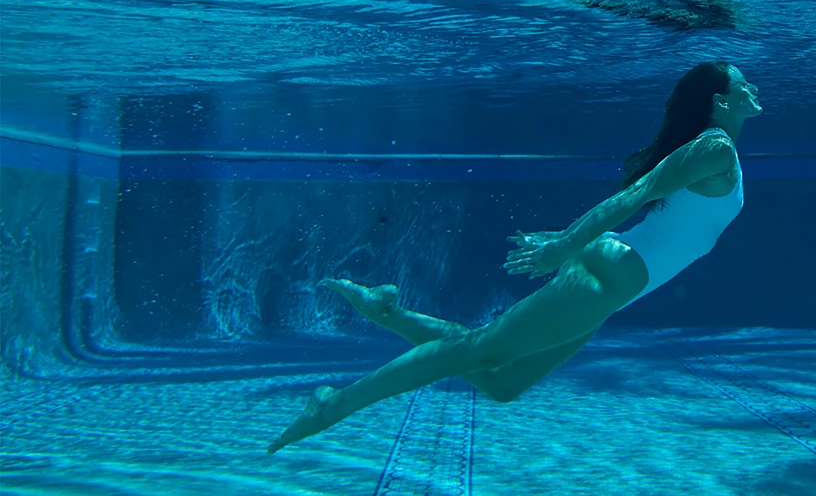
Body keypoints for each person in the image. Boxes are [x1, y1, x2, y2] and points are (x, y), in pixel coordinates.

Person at [267, 61, 762, 453]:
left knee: (502, 379)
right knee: (483, 351)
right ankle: (336, 403)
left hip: (614, 283)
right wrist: (564, 245)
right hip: (603, 276)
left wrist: (569, 244)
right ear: (721, 101)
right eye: (743, 82)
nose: (752, 87)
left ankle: (388, 312)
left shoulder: (719, 151)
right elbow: (634, 195)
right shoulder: (714, 147)